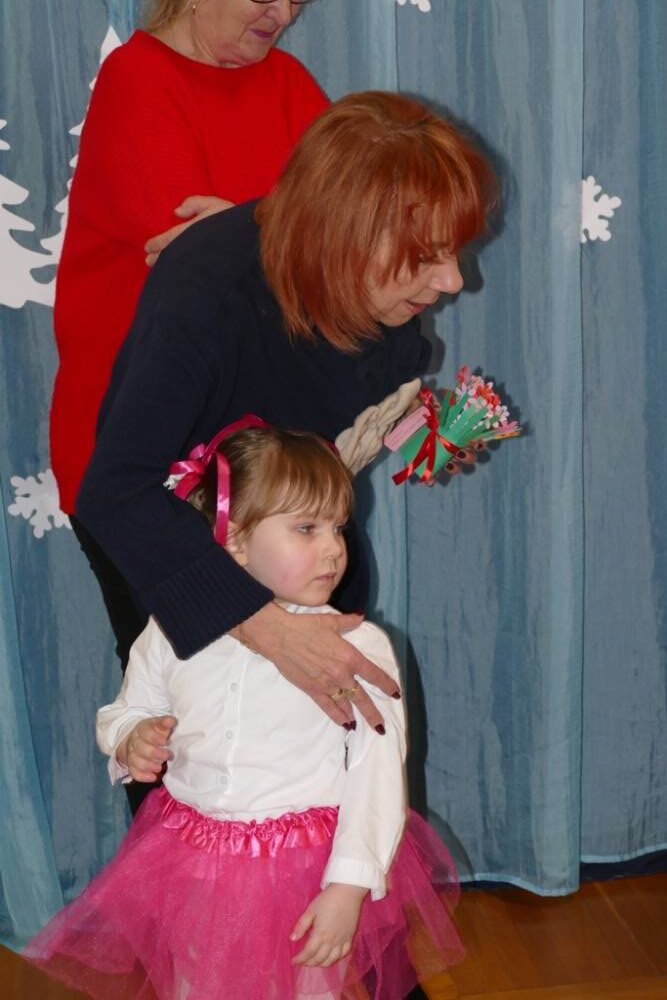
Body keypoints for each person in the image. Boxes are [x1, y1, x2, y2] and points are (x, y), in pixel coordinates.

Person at [76, 91, 496, 770]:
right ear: (342, 236)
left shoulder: (367, 287)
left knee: (324, 767)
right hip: (171, 537)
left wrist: (421, 436)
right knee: (199, 766)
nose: (452, 281)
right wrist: (266, 628)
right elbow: (117, 494)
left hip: (290, 536)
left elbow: (364, 400)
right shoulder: (207, 295)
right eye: (425, 257)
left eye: (454, 252)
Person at [25, 424, 465, 999]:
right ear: (233, 538)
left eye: (338, 527)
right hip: (192, 865)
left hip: (305, 874)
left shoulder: (357, 648)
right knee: (196, 985)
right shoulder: (173, 629)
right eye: (306, 528)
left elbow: (376, 773)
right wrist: (132, 737)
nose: (334, 548)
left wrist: (349, 885)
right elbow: (127, 708)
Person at [49, 0, 327, 660]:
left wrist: (245, 229)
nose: (283, 13)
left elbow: (360, 232)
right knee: (181, 688)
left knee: (277, 696)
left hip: (267, 454)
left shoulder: (289, 83)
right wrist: (292, 234)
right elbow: (190, 259)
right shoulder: (137, 77)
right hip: (143, 460)